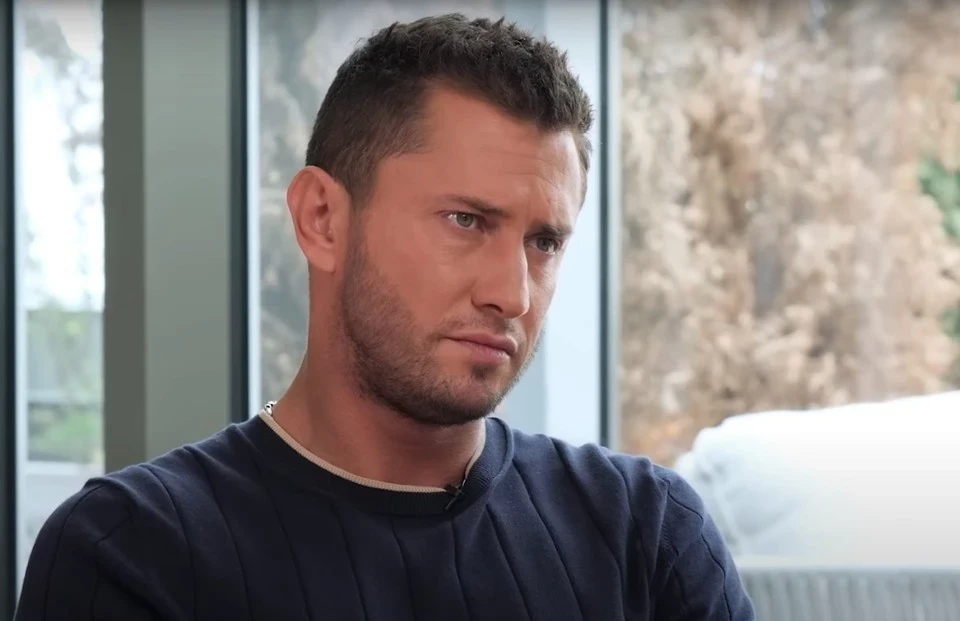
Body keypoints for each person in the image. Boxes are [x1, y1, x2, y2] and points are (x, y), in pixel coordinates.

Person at [15, 14, 754, 621]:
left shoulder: (645, 533)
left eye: (543, 242)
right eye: (466, 220)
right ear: (322, 219)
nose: (513, 294)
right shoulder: (130, 553)